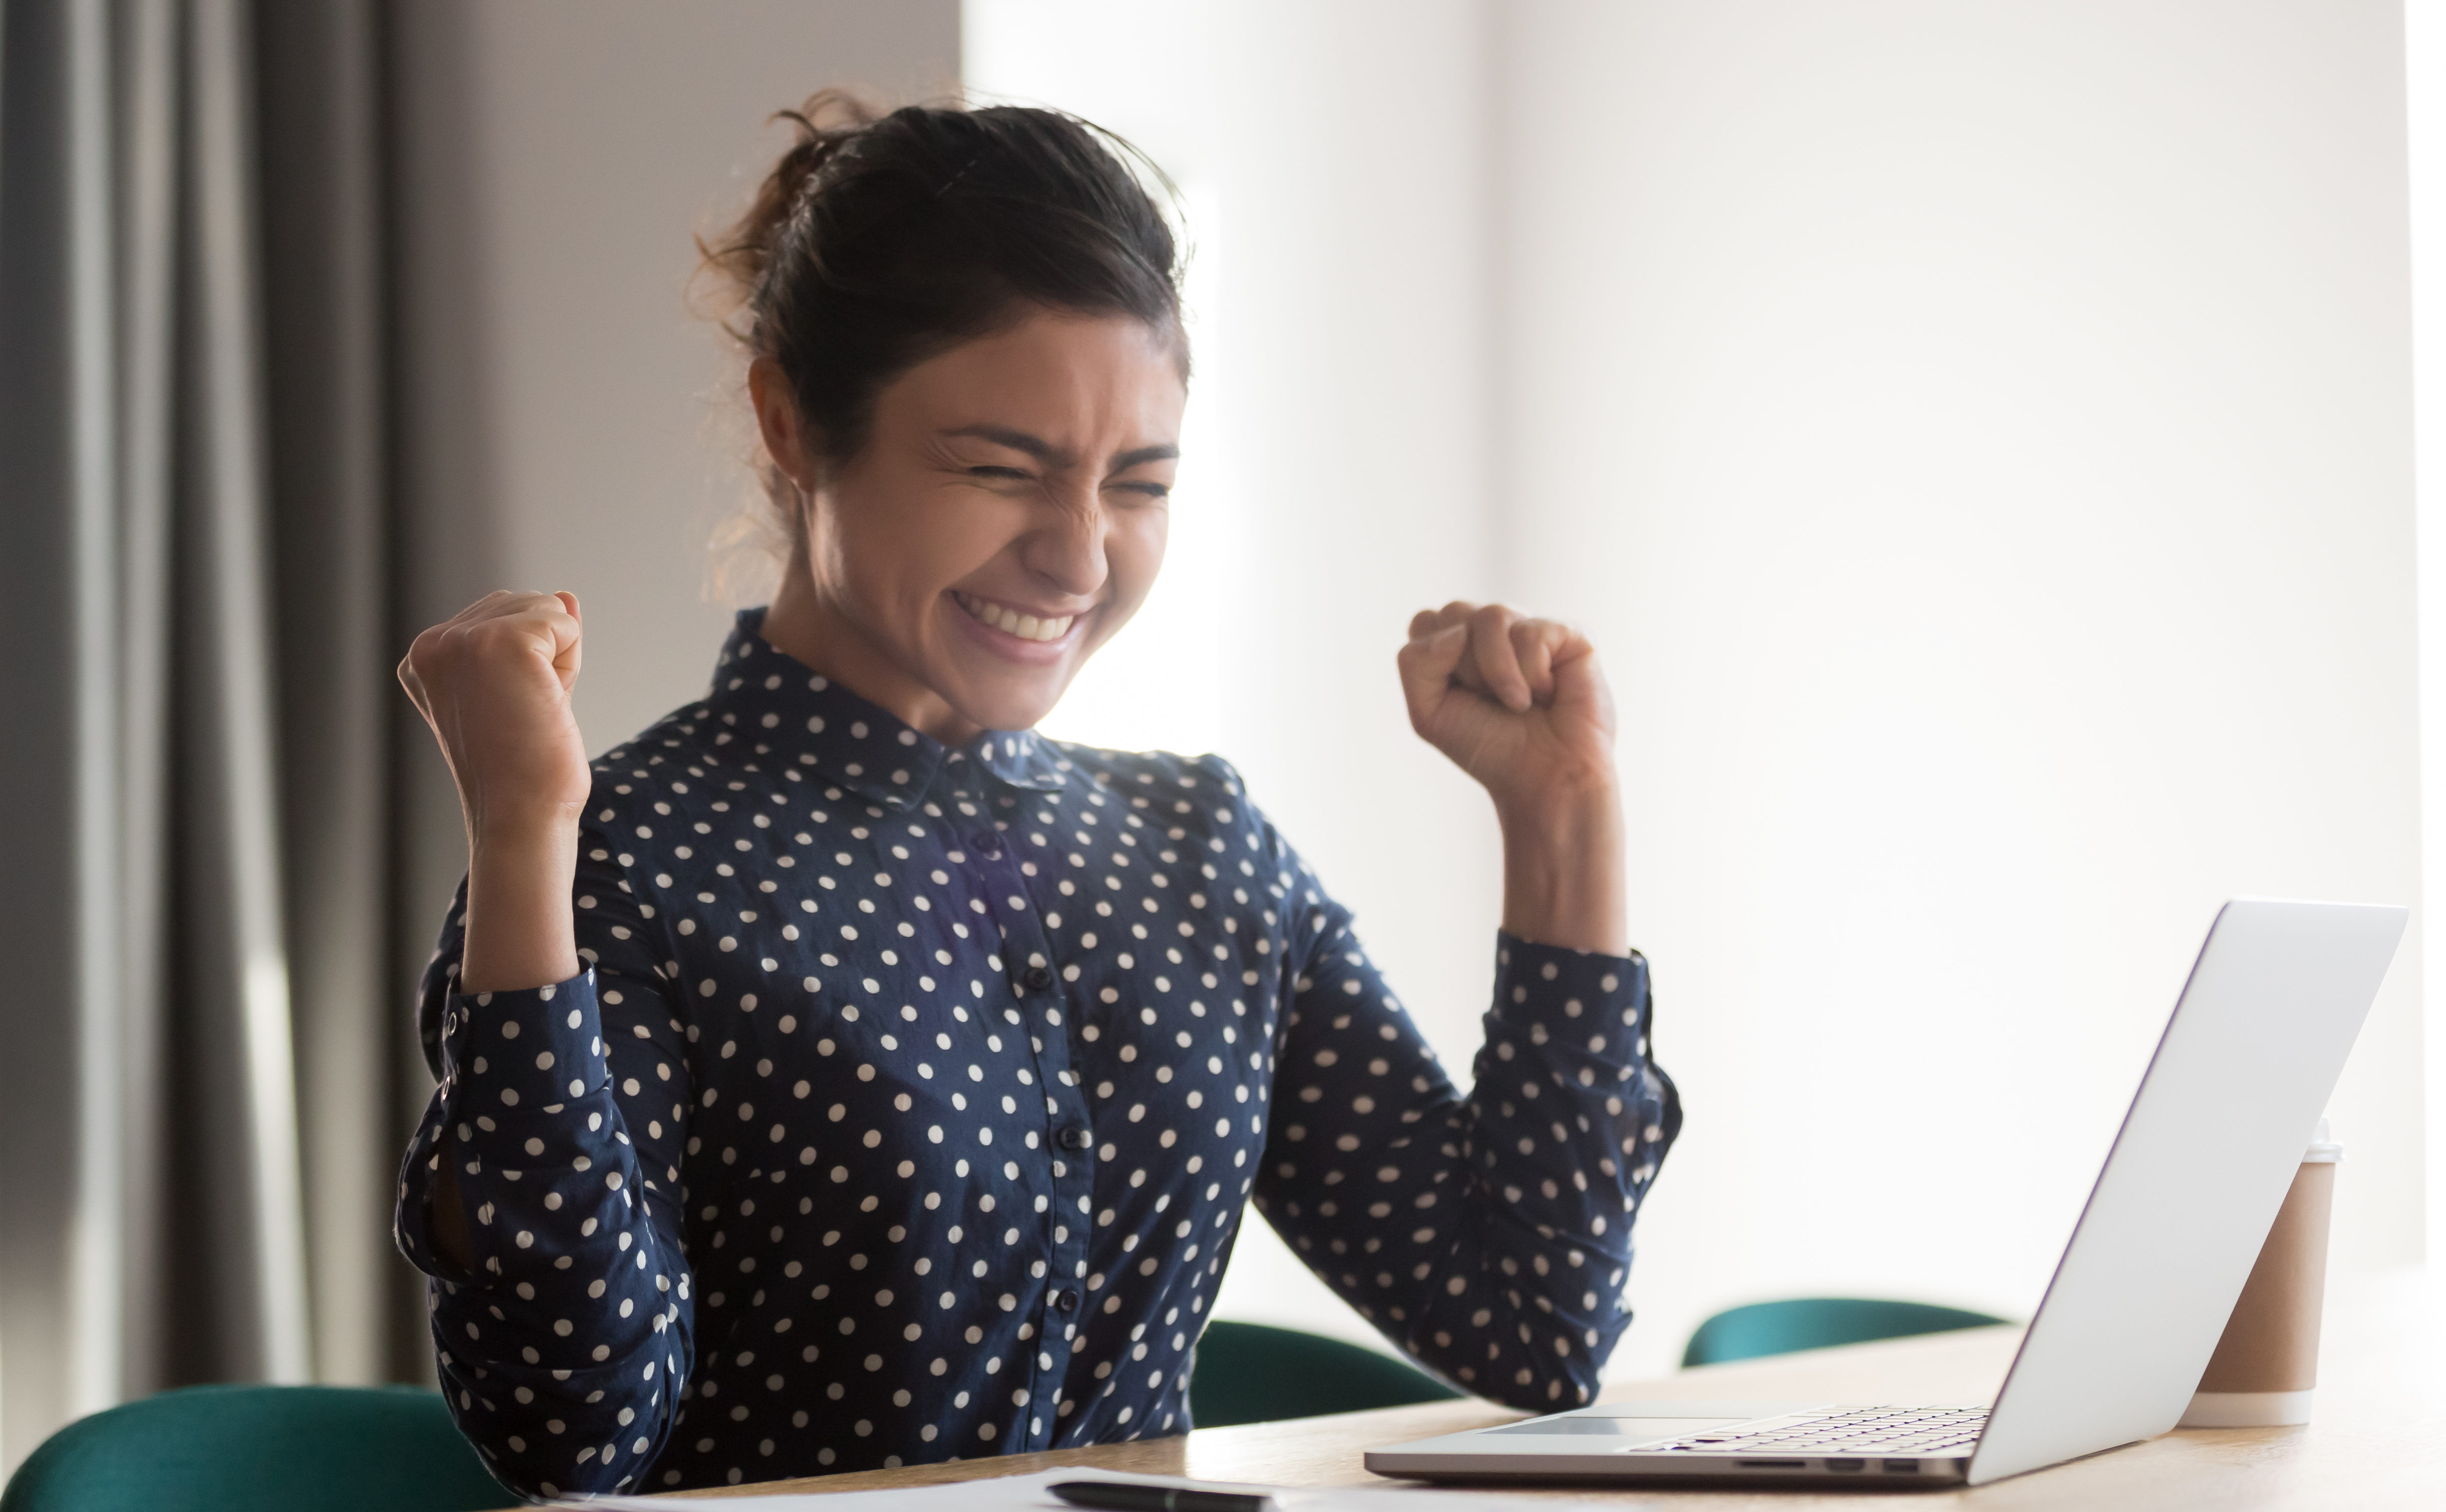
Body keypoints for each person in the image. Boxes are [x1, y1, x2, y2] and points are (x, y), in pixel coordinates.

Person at [392, 95, 1680, 1499]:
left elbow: (1531, 1320)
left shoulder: (1202, 850)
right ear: (792, 425)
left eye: (1139, 483)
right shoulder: (623, 860)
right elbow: (571, 1431)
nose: (1077, 559)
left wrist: (1564, 821)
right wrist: (523, 836)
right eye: (1000, 470)